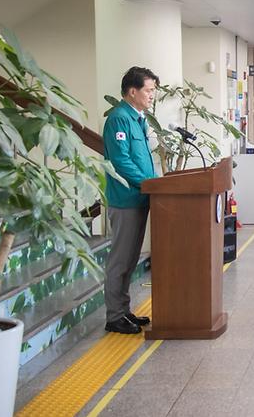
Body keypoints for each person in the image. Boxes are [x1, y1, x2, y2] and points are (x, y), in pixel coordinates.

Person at [103, 66, 159, 335]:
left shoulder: (138, 118)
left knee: (130, 259)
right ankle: (114, 316)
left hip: (140, 198)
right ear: (132, 91)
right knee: (120, 260)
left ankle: (123, 311)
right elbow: (121, 160)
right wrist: (147, 183)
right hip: (125, 200)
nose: (153, 95)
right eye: (149, 90)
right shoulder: (118, 119)